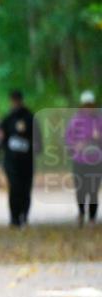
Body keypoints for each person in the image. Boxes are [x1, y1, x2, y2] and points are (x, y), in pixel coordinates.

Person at [64, 90, 102, 226]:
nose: (88, 108)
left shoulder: (99, 120)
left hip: (96, 161)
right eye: (86, 105)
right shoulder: (75, 120)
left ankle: (92, 217)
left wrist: (99, 138)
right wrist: (75, 146)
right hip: (79, 161)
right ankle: (81, 212)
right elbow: (68, 138)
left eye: (90, 105)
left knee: (93, 190)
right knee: (81, 189)